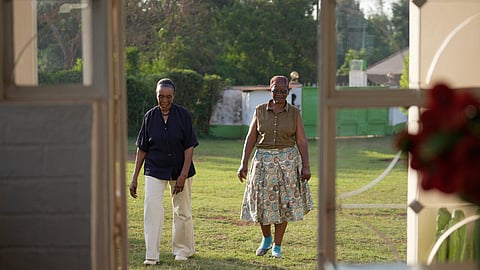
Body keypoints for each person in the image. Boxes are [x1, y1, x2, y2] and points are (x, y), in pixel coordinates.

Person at [237, 75, 314, 259]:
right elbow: (251, 138)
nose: (279, 94)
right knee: (262, 204)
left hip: (287, 162)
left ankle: (277, 246)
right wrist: (243, 163)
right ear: (269, 89)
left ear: (288, 91)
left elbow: (302, 140)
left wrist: (306, 166)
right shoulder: (260, 110)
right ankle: (266, 238)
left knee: (284, 204)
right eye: (275, 90)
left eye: (283, 91)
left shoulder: (294, 113)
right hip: (262, 161)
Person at [129, 78, 199, 265]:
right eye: (161, 96)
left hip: (180, 168)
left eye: (168, 97)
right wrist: (134, 176)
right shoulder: (149, 117)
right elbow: (142, 148)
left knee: (182, 210)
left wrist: (183, 175)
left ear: (173, 96)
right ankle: (151, 255)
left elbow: (189, 146)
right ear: (156, 95)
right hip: (155, 168)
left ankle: (183, 250)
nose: (164, 100)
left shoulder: (183, 115)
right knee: (152, 209)